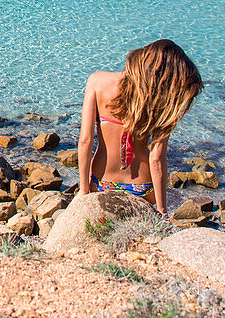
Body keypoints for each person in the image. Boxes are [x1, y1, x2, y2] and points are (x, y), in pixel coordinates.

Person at [77, 39, 203, 213]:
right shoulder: (161, 101)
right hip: (143, 189)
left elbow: (85, 140)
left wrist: (84, 191)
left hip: (102, 182)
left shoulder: (97, 81)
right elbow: (157, 159)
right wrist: (161, 209)